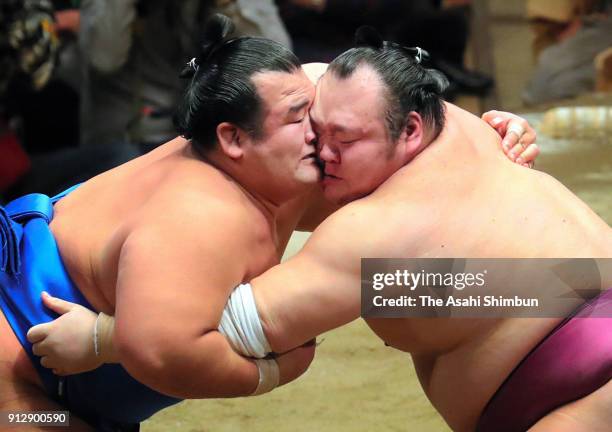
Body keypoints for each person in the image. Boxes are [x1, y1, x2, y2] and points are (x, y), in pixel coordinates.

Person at [37, 27, 612, 431]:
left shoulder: (377, 233)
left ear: (408, 129)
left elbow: (232, 325)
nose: (321, 151)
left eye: (344, 140)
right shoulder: (455, 122)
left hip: (587, 384)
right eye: (310, 124)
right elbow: (515, 285)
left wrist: (102, 339)